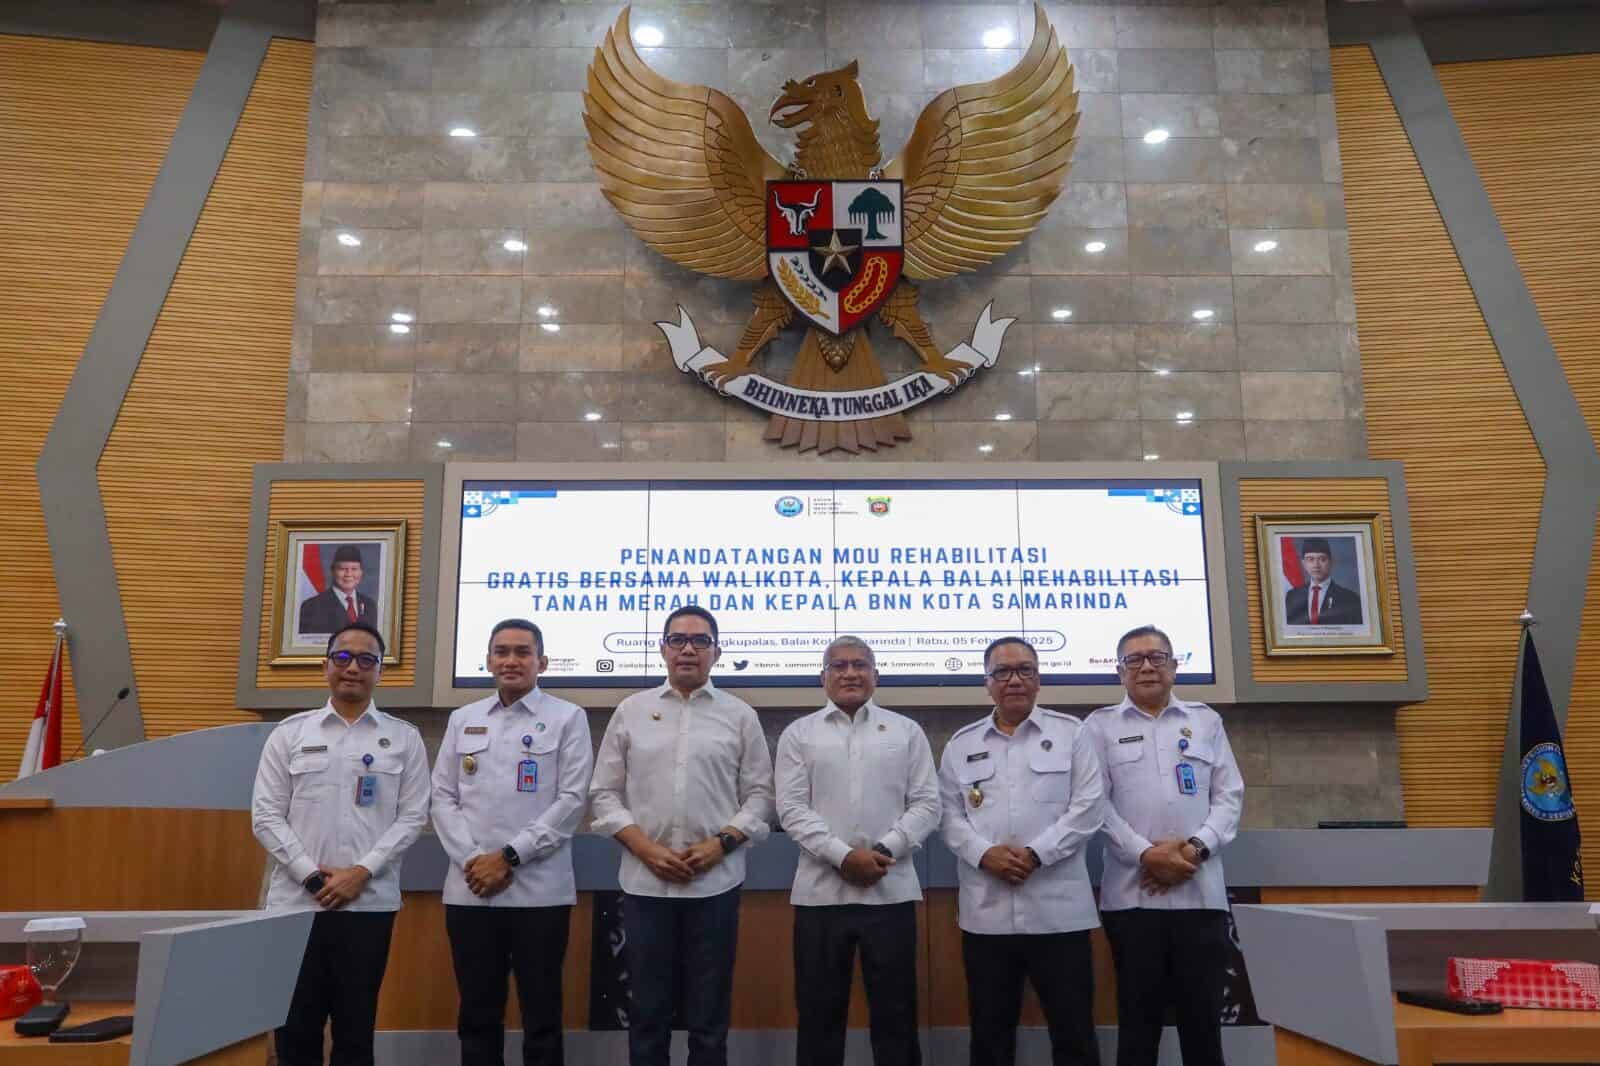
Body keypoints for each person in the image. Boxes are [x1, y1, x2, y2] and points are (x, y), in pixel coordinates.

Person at [588, 606, 775, 1066]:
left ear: (717, 652)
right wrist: (644, 848)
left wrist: (722, 843)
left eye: (700, 641)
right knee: (647, 1015)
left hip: (716, 885)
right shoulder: (631, 711)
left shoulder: (740, 716)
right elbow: (604, 794)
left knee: (709, 1019)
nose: (688, 649)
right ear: (663, 649)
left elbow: (760, 796)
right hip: (645, 886)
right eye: (678, 640)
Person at [251, 621, 429, 1066]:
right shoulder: (290, 734)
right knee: (295, 1029)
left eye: (366, 660)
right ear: (325, 665)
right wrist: (312, 878)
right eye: (343, 657)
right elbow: (266, 816)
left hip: (368, 905)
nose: (353, 668)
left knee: (355, 1029)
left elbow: (412, 817)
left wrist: (360, 873)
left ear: (380, 671)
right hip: (296, 905)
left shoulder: (403, 738)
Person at [431, 619, 594, 1066]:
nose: (511, 660)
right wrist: (474, 860)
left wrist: (508, 857)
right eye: (501, 651)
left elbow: (571, 801)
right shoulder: (463, 719)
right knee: (477, 1014)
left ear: (542, 662)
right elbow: (442, 797)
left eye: (523, 652)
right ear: (488, 661)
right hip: (471, 890)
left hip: (540, 894)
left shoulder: (567, 718)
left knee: (542, 1016)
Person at [938, 636, 1106, 1066]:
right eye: (1002, 672)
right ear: (987, 683)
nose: (1014, 680)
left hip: (1059, 914)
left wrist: (1035, 854)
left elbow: (1089, 807)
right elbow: (948, 815)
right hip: (987, 916)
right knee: (990, 1037)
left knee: (1074, 1034)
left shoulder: (1073, 734)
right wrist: (983, 854)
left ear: (1038, 678)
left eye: (1024, 670)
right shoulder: (961, 743)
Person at [775, 636, 940, 1066]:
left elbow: (927, 804)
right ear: (823, 678)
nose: (850, 673)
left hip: (890, 893)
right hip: (820, 897)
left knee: (896, 1018)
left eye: (860, 665)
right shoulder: (799, 734)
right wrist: (843, 856)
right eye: (839, 666)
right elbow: (791, 809)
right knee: (818, 1019)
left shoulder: (906, 731)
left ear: (875, 675)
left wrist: (882, 851)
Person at [1084, 625, 1245, 1066]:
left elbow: (1229, 796)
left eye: (1157, 658)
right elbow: (1094, 804)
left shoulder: (1206, 721)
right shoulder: (1099, 726)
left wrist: (1194, 849)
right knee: (1138, 1029)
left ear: (1174, 667)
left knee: (1203, 1028)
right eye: (1134, 660)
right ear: (1119, 672)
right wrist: (1146, 854)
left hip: (1201, 897)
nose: (1147, 667)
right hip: (1132, 901)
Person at [300, 545, 380, 635]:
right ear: (332, 571)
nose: (348, 574)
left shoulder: (370, 605)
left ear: (361, 572)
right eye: (342, 569)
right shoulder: (311, 607)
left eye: (354, 569)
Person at [1283, 537, 1363, 626]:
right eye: (1310, 559)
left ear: (1331, 562)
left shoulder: (1350, 599)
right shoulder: (1292, 596)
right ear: (1303, 563)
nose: (1316, 565)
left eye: (1322, 559)